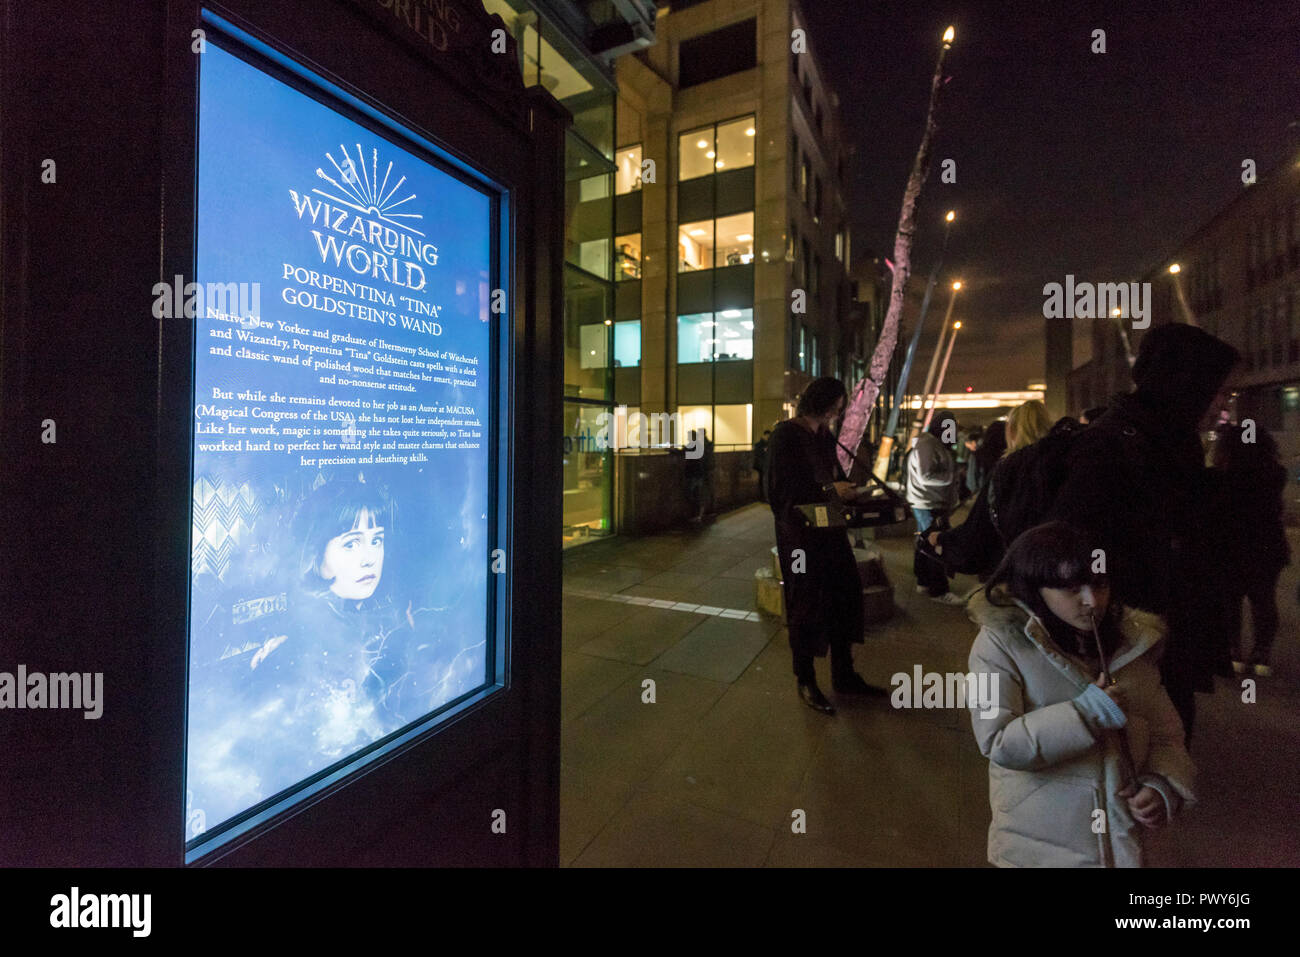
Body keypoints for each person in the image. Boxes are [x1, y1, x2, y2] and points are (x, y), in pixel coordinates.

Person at [1049, 323, 1241, 741]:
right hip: (1131, 649)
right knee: (1141, 760)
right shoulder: (1111, 445)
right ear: (1184, 384)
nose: (1223, 404)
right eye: (1218, 391)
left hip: (1167, 639)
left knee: (1169, 750)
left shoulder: (1174, 442)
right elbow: (1073, 547)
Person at [967, 522, 1195, 867]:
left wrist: (1163, 785)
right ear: (1033, 588)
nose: (1092, 601)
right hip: (1042, 847)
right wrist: (1084, 714)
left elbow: (1167, 735)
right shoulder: (998, 646)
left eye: (1100, 584)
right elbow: (997, 741)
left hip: (1126, 843)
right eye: (1072, 589)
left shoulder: (1131, 644)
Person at [767, 377, 883, 714]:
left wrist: (843, 493)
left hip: (829, 530)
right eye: (837, 403)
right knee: (805, 603)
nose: (840, 409)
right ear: (824, 402)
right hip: (800, 538)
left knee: (843, 597)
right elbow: (781, 495)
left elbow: (825, 481)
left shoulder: (822, 436)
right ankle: (806, 679)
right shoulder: (786, 435)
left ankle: (844, 674)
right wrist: (834, 492)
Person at [1209, 422, 1291, 676]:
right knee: (1264, 601)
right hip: (1267, 546)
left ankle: (1234, 651)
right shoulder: (1275, 473)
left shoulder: (1221, 476)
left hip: (1229, 546)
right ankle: (1261, 654)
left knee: (1230, 602)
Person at [905, 410, 964, 603]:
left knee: (926, 542)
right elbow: (925, 475)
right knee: (936, 543)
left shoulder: (933, 443)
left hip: (930, 501)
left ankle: (924, 582)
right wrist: (951, 477)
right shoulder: (928, 444)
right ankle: (938, 590)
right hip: (927, 502)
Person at [752, 429, 772, 502]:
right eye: (768, 436)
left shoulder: (766, 444)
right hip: (762, 466)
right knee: (762, 481)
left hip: (763, 466)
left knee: (764, 481)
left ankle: (764, 496)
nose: (768, 438)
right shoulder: (760, 445)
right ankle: (762, 496)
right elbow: (758, 456)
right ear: (765, 435)